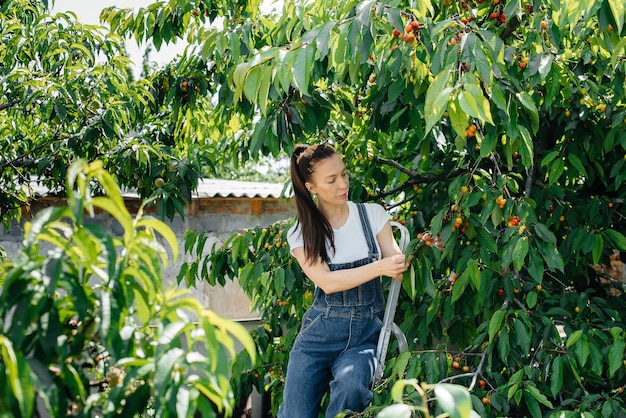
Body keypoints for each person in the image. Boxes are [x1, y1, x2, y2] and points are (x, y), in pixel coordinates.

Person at [278, 143, 411, 418]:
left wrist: (404, 259)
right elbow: (328, 283)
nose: (343, 184)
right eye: (332, 179)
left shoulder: (372, 215)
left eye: (344, 174)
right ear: (311, 187)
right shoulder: (302, 232)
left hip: (364, 336)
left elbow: (395, 266)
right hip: (319, 335)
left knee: (351, 387)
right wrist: (380, 267)